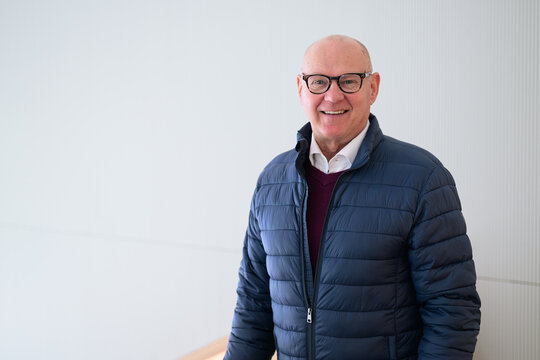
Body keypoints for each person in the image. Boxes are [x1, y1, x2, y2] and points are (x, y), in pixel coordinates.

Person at [224, 34, 481, 360]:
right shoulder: (271, 183)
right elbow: (253, 304)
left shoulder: (423, 180)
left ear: (372, 88)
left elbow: (452, 310)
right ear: (301, 89)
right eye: (318, 82)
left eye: (348, 81)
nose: (332, 95)